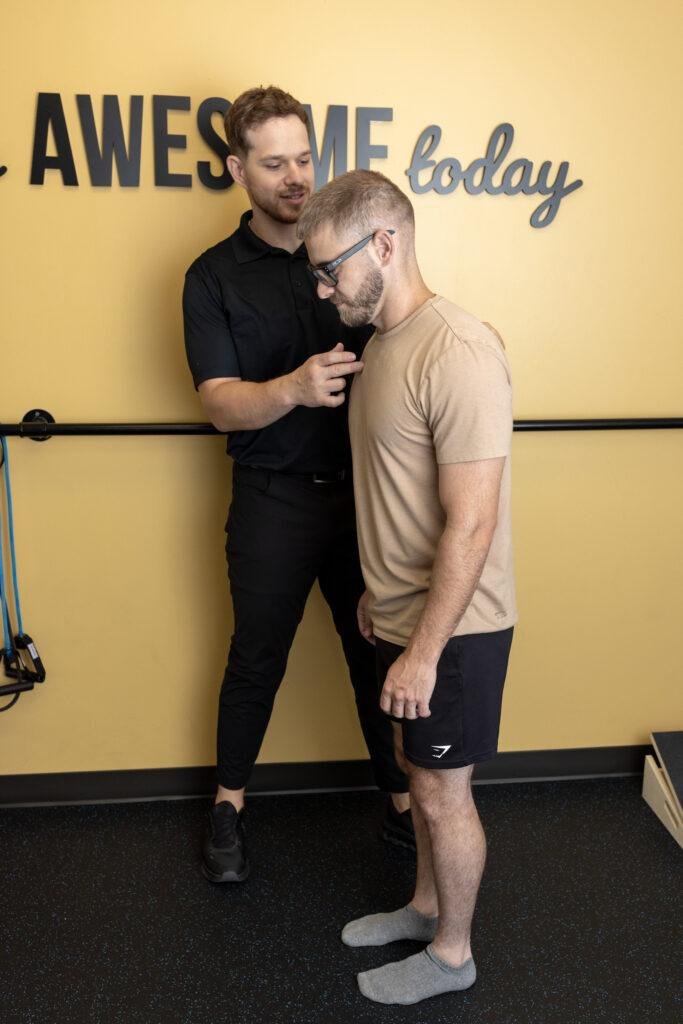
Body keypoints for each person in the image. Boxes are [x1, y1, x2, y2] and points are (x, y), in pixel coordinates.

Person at [297, 169, 516, 1005]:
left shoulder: (456, 349)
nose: (322, 289)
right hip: (400, 612)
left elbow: (471, 523)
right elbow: (397, 492)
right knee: (411, 767)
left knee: (439, 788)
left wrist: (422, 651)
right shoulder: (383, 344)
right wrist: (380, 595)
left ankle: (453, 954)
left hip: (454, 630)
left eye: (330, 269)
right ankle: (425, 906)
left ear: (384, 245)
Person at [182, 89, 412, 885]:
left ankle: (405, 804)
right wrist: (293, 387)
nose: (294, 178)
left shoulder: (353, 255)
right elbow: (218, 403)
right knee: (256, 658)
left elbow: (410, 331)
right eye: (273, 163)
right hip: (271, 498)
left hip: (365, 502)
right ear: (235, 168)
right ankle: (228, 807)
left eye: (304, 159)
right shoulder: (211, 277)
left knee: (377, 656)